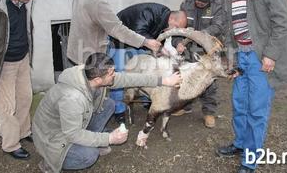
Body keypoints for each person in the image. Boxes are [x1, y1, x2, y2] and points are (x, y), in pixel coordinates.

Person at [211, 0, 287, 172]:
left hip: (260, 56)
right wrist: (231, 57)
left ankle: (250, 159)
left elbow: (281, 20)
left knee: (257, 110)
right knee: (239, 104)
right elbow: (228, 26)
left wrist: (271, 54)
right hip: (241, 55)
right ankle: (240, 143)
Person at [33, 52, 182, 173]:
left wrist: (164, 81)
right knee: (89, 156)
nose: (114, 75)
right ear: (98, 79)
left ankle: (91, 140)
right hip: (54, 138)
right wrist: (108, 139)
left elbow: (129, 79)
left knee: (109, 104)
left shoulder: (90, 75)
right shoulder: (72, 98)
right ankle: (49, 164)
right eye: (111, 73)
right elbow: (72, 134)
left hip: (72, 124)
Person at [67, 0, 161, 65]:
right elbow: (117, 29)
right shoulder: (98, 1)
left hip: (75, 52)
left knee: (76, 80)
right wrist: (146, 42)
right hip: (89, 58)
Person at [109, 2, 188, 123]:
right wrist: (159, 48)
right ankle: (119, 110)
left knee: (148, 68)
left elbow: (150, 37)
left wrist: (159, 49)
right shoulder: (149, 13)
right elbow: (138, 32)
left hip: (139, 42)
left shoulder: (165, 19)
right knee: (119, 74)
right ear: (172, 18)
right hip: (120, 40)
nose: (175, 30)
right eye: (176, 27)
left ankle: (147, 100)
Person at [0, 0, 36, 159]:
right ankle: (10, 144)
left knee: (25, 98)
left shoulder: (25, 1)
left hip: (22, 58)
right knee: (7, 107)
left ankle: (23, 132)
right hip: (3, 64)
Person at [172, 0, 224, 129]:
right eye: (197, 0)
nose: (199, 3)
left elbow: (218, 27)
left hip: (208, 51)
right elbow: (178, 27)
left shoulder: (217, 7)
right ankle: (185, 105)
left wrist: (199, 35)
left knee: (209, 82)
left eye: (203, 2)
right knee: (186, 79)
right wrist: (178, 43)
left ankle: (209, 112)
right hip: (188, 50)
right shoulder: (186, 5)